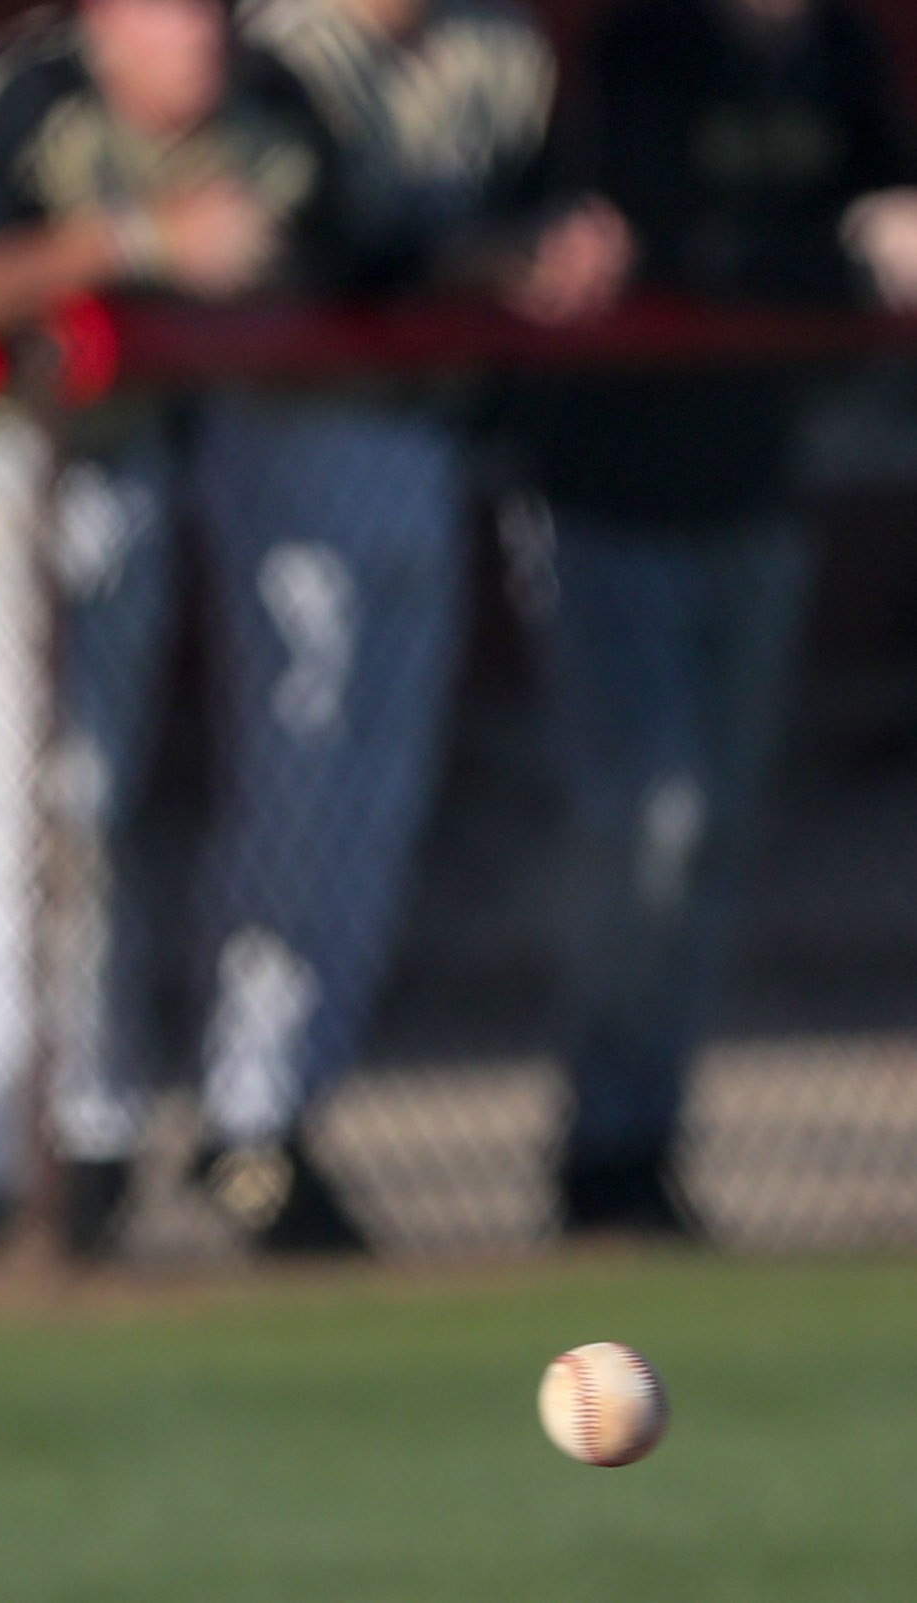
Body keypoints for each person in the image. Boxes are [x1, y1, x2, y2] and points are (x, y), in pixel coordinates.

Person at [0, 0, 293, 1254]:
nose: (201, 37)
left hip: (115, 470)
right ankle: (33, 1140)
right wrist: (137, 237)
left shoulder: (271, 110)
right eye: (171, 15)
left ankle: (1, 1156)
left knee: (47, 802)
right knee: (53, 793)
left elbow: (291, 290)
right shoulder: (31, 91)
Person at [186, 0, 630, 1250]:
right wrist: (474, 259)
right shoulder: (281, 51)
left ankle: (283, 1113)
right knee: (301, 782)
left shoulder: (499, 51)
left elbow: (547, 200)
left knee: (374, 798)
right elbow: (301, 249)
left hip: (422, 435)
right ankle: (242, 1110)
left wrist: (557, 245)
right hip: (290, 428)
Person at [527, 0, 917, 1234]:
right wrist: (841, 255)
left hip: (757, 491)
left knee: (716, 831)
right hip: (610, 496)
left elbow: (885, 200)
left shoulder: (838, 54)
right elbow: (675, 245)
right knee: (651, 815)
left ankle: (644, 1137)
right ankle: (598, 1137)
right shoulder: (648, 49)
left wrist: (875, 228)